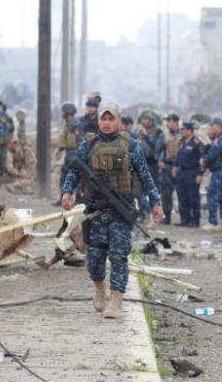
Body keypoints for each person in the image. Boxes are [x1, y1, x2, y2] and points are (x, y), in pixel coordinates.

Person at [61, 102, 163, 319]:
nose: (106, 123)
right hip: (95, 213)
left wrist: (156, 202)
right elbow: (73, 171)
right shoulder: (88, 145)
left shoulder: (130, 145)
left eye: (111, 119)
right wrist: (67, 191)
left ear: (118, 120)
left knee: (119, 257)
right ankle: (99, 287)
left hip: (120, 212)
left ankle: (116, 300)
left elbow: (145, 176)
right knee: (94, 259)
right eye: (103, 119)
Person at [200, 117, 222, 230]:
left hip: (221, 171)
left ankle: (213, 222)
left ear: (218, 126)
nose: (211, 129)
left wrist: (204, 160)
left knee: (213, 196)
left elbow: (215, 151)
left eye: (212, 126)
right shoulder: (220, 137)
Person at [174, 121, 203, 227]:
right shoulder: (181, 142)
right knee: (182, 197)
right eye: (181, 129)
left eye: (183, 129)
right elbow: (179, 156)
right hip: (181, 172)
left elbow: (202, 160)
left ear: (190, 131)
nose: (181, 131)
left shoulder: (196, 143)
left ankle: (195, 221)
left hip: (192, 172)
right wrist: (175, 166)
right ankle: (184, 219)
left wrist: (200, 174)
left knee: (193, 197)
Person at [137, 110, 165, 222]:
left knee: (153, 191)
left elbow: (156, 148)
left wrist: (146, 136)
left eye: (147, 120)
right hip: (141, 164)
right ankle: (144, 213)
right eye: (143, 119)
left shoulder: (158, 133)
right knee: (139, 191)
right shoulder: (139, 132)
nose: (144, 122)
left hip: (152, 164)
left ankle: (155, 214)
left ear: (152, 121)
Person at [55, 102, 80, 205]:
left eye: (64, 111)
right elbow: (65, 140)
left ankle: (76, 200)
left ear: (68, 112)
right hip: (68, 154)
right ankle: (63, 199)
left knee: (74, 178)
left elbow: (79, 140)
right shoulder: (68, 125)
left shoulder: (76, 125)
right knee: (64, 177)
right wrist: (60, 150)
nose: (62, 113)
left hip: (74, 154)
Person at [161, 113, 182, 225]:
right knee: (166, 194)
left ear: (175, 122)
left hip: (180, 167)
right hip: (168, 166)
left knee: (181, 193)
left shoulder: (183, 134)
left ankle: (184, 219)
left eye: (169, 121)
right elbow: (158, 150)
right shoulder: (164, 135)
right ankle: (167, 217)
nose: (167, 124)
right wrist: (160, 161)